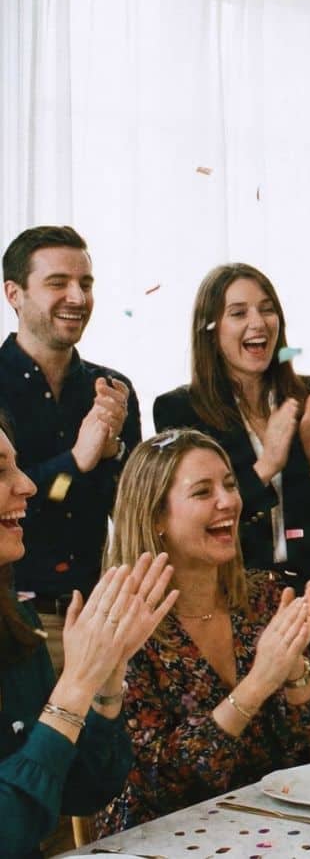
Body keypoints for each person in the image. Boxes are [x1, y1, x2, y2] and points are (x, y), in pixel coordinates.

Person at [93, 429, 310, 835]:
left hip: (271, 831)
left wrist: (295, 672)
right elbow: (156, 782)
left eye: (229, 484)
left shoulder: (262, 595)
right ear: (156, 516)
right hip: (164, 842)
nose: (228, 501)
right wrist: (257, 685)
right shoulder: (123, 623)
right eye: (202, 492)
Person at [154, 264, 310, 691]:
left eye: (267, 309)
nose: (257, 323)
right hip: (232, 605)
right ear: (210, 330)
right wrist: (268, 464)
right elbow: (191, 519)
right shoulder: (180, 411)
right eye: (238, 312)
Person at [0, 413, 177, 859]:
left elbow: (82, 791)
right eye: (0, 469)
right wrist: (76, 684)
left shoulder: (16, 623)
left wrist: (106, 684)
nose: (29, 485)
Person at [0, 225, 141, 674]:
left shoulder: (114, 389)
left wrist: (114, 448)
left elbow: (132, 513)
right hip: (14, 622)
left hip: (102, 617)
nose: (78, 298)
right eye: (58, 283)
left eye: (86, 283)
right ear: (14, 294)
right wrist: (77, 460)